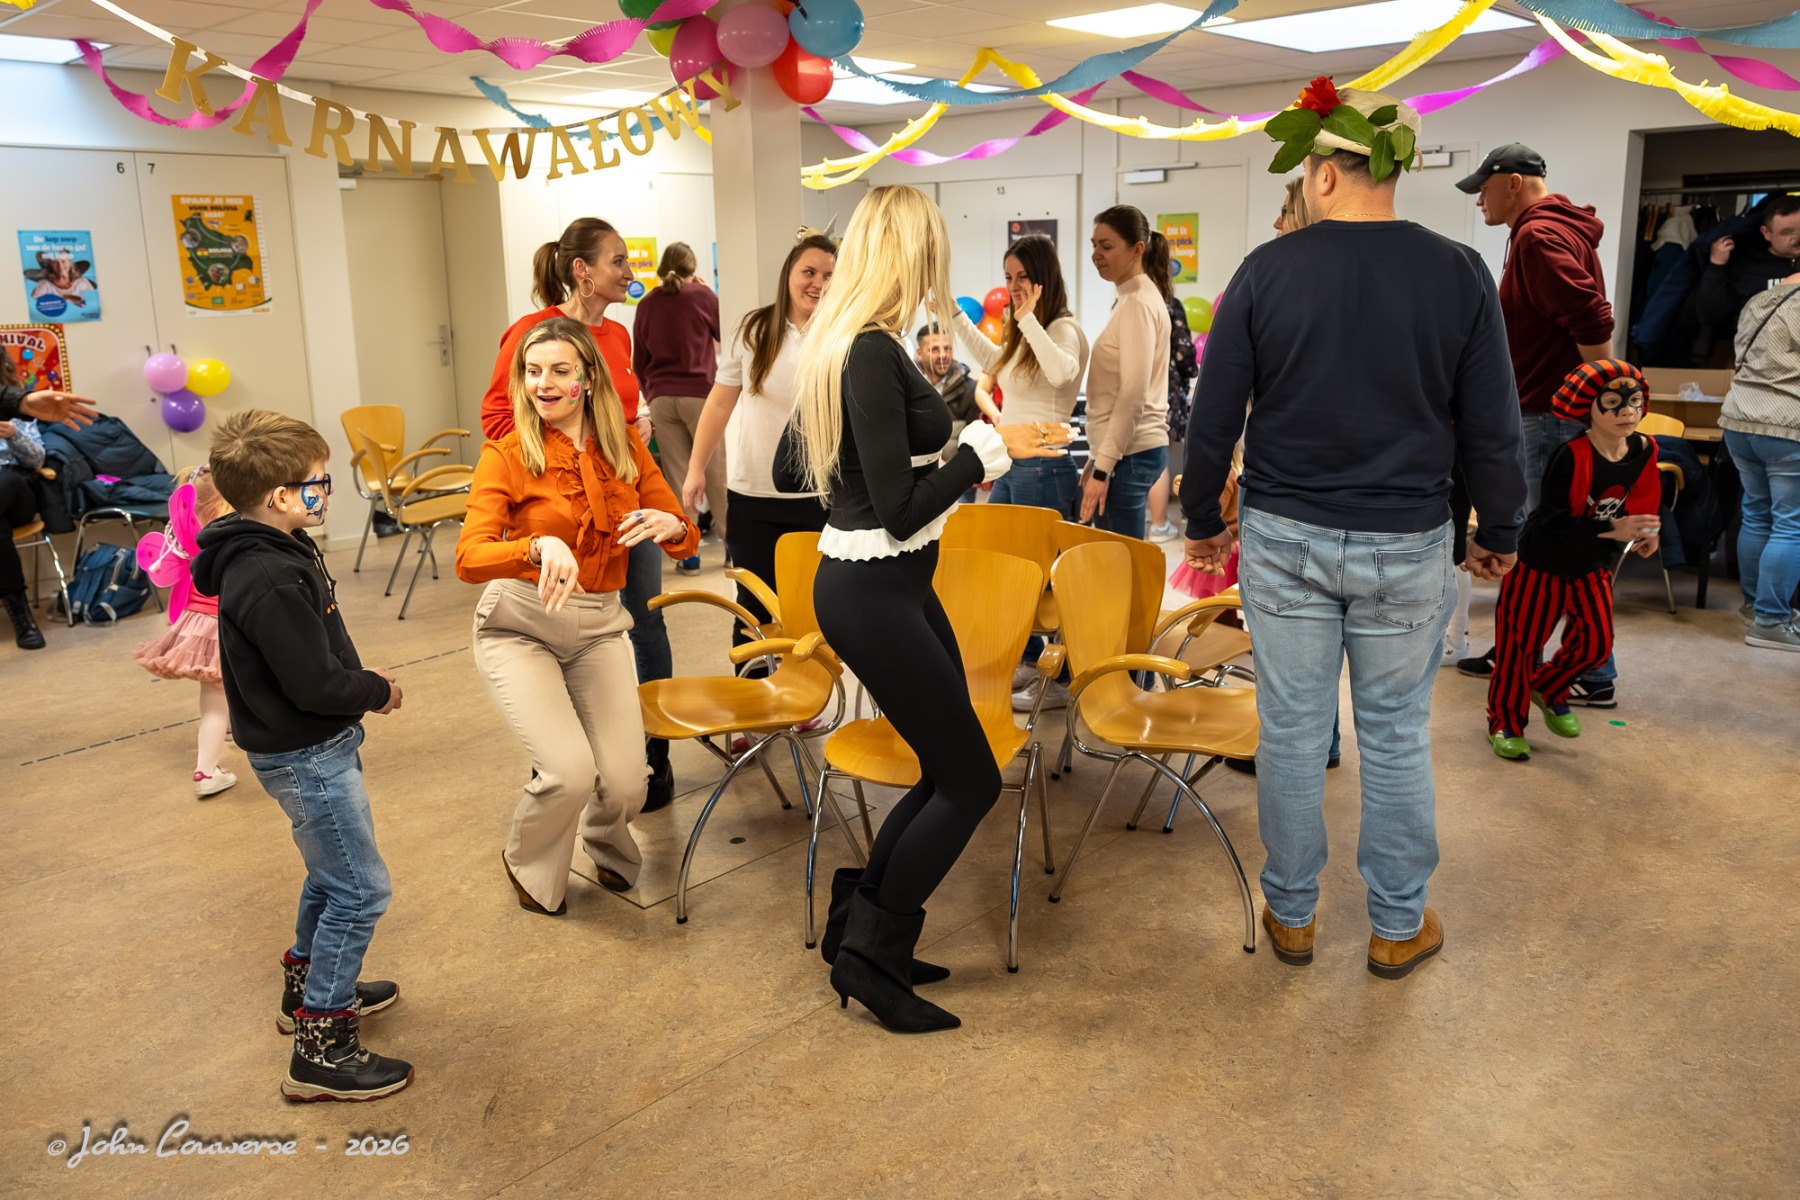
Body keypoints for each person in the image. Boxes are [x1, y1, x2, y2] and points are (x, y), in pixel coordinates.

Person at [1181, 83, 1526, 981]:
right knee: (1397, 734)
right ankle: (1397, 925)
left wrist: (1200, 521)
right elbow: (1492, 421)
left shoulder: (1266, 271)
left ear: (1326, 175)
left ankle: (1293, 915)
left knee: (1292, 731)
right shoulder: (1459, 271)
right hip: (1406, 538)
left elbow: (1213, 412)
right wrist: (1502, 526)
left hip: (1285, 533)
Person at [779, 184, 1066, 1033]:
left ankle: (861, 933)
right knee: (971, 781)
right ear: (911, 252)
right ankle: (873, 959)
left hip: (893, 584)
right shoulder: (865, 349)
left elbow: (894, 466)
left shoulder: (864, 342)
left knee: (950, 771)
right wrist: (983, 452)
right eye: (932, 250)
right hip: (872, 588)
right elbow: (899, 509)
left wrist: (984, 438)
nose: (939, 266)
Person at [191, 410, 410, 1103]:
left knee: (330, 873)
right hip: (308, 754)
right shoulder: (268, 574)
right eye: (319, 482)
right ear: (280, 495)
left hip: (307, 746)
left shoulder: (278, 546)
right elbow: (313, 685)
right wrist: (375, 690)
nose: (328, 491)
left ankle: (307, 988)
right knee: (360, 890)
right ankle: (322, 1048)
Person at [458, 317, 699, 915]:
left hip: (598, 627)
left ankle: (602, 837)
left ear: (588, 378)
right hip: (520, 626)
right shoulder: (507, 454)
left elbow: (682, 535)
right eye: (532, 371)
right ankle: (529, 862)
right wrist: (535, 546)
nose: (543, 383)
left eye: (559, 370)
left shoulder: (627, 448)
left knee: (627, 782)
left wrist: (672, 525)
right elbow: (469, 557)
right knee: (567, 772)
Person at [480, 217, 678, 812]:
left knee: (645, 621)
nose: (629, 271)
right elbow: (498, 418)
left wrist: (632, 428)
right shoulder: (531, 333)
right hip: (560, 511)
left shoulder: (616, 335)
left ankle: (649, 757)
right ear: (582, 271)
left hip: (623, 501)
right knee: (561, 629)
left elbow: (618, 408)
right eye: (619, 260)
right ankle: (565, 758)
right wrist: (566, 451)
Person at [1455, 144, 1617, 701]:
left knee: (1550, 543)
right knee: (1553, 539)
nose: (1479, 199)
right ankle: (1523, 652)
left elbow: (1590, 316)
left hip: (1550, 411)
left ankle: (1589, 670)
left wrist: (1599, 395)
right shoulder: (1554, 230)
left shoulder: (1538, 235)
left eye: (1484, 188)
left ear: (1514, 182)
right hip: (1551, 409)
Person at [1487, 362, 1661, 760]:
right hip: (1540, 563)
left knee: (1597, 644)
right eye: (1614, 403)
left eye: (1635, 402)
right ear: (1589, 408)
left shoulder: (1645, 448)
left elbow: (1645, 493)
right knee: (1519, 649)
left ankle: (1547, 686)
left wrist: (1649, 530)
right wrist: (1613, 527)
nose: (1627, 412)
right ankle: (1504, 722)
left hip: (1591, 563)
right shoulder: (1571, 455)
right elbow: (1552, 519)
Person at [683, 232, 838, 656]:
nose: (818, 284)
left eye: (829, 276)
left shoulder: (842, 334)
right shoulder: (753, 329)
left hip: (821, 498)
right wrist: (696, 469)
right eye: (809, 272)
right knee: (753, 610)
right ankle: (753, 690)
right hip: (753, 498)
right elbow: (719, 403)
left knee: (814, 611)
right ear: (789, 274)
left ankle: (807, 691)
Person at [950, 232, 1089, 519]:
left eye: (1022, 277)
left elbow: (1061, 374)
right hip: (1012, 460)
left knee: (1029, 546)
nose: (1013, 286)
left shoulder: (1062, 328)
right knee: (998, 539)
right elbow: (994, 360)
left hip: (1042, 464)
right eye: (1008, 277)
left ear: (1043, 278)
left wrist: (1026, 318)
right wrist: (954, 313)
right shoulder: (1026, 331)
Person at [132, 465, 240, 797]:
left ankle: (229, 728)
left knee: (219, 689)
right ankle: (206, 772)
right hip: (222, 625)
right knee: (217, 698)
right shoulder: (231, 538)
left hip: (196, 622)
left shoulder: (190, 539)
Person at [632, 241, 722, 578]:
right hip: (700, 396)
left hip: (661, 399)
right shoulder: (702, 296)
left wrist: (652, 393)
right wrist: (709, 292)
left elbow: (639, 360)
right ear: (691, 268)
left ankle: (689, 554)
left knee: (678, 476)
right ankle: (732, 547)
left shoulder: (647, 303)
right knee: (715, 470)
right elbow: (725, 333)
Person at [1721, 270, 1800, 651]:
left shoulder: (1760, 298)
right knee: (1791, 525)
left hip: (1740, 417)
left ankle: (1755, 607)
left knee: (1756, 514)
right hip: (1787, 421)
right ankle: (1771, 620)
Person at [1082, 205, 1172, 538]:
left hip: (1130, 453)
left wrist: (1102, 468)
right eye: (1094, 245)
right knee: (1115, 555)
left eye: (1106, 246)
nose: (1096, 254)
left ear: (1137, 249)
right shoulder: (1131, 297)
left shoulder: (1138, 303)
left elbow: (1133, 393)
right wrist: (1097, 457)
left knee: (1119, 558)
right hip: (1124, 451)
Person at [1147, 273, 1202, 540]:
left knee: (1139, 453)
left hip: (1133, 390)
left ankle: (1142, 520)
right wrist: (1191, 371)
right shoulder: (1169, 305)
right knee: (1158, 453)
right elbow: (1184, 352)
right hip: (1162, 388)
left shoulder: (1124, 302)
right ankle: (1159, 525)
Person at [1698, 196, 1800, 336]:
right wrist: (1716, 266)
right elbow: (1710, 316)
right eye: (1786, 232)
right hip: (1760, 346)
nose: (1797, 237)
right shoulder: (1745, 266)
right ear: (1766, 233)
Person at [914, 323, 981, 477]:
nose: (943, 355)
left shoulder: (970, 389)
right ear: (919, 353)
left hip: (955, 475)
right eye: (935, 349)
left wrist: (952, 471)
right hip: (915, 473)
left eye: (947, 348)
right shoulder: (907, 387)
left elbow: (974, 441)